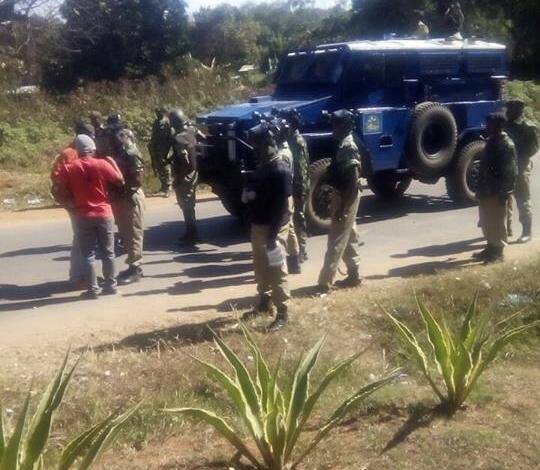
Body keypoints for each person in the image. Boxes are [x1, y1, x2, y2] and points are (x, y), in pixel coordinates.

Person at [54, 135, 124, 299]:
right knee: (108, 252)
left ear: (77, 150)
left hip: (82, 215)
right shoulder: (102, 164)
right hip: (104, 213)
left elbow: (57, 188)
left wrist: (68, 202)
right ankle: (111, 286)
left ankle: (93, 290)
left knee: (88, 254)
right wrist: (112, 162)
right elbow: (120, 181)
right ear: (92, 148)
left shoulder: (69, 168)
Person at [243, 121, 292, 331]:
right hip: (259, 226)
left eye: (256, 146)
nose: (254, 149)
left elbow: (281, 207)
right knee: (260, 267)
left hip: (274, 228)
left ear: (266, 145)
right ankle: (264, 302)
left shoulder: (280, 170)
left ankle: (282, 313)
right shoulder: (262, 167)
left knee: (277, 269)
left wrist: (273, 237)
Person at [318, 110, 363, 292]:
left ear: (343, 126)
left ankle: (325, 283)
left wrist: (343, 208)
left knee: (337, 238)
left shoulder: (348, 146)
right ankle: (354, 275)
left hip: (347, 195)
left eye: (336, 124)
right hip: (344, 193)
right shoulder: (344, 141)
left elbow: (353, 179)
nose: (333, 128)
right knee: (349, 233)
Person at [474, 113, 518, 263]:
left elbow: (510, 171)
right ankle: (490, 248)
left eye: (490, 124)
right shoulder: (491, 141)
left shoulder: (506, 144)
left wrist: (505, 192)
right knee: (486, 220)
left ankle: (498, 252)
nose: (487, 127)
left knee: (498, 221)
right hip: (485, 189)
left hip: (497, 190)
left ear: (498, 126)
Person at [111, 128, 146, 284]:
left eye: (120, 139)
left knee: (133, 233)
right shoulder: (122, 153)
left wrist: (123, 192)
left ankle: (136, 269)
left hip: (131, 197)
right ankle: (132, 266)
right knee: (126, 232)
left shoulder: (131, 154)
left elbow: (137, 180)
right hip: (123, 197)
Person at [505, 99, 539, 243]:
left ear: (519, 111)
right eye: (508, 109)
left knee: (523, 199)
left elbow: (534, 148)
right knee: (505, 199)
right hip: (505, 166)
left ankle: (527, 231)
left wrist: (518, 154)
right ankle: (506, 229)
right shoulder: (505, 125)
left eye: (511, 110)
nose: (508, 112)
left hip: (521, 165)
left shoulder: (528, 127)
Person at [50, 146, 85, 286]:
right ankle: (78, 277)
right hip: (75, 203)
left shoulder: (77, 152)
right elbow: (57, 178)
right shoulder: (70, 154)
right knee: (81, 238)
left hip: (79, 202)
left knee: (82, 238)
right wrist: (69, 199)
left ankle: (83, 275)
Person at [274, 117, 301, 274]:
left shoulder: (282, 154)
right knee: (289, 227)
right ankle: (294, 261)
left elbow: (280, 177)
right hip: (286, 192)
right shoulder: (283, 148)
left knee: (281, 229)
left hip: (283, 194)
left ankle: (280, 266)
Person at [283, 109, 310, 263]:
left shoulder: (297, 141)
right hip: (295, 184)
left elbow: (301, 169)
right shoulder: (290, 138)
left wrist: (297, 188)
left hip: (299, 185)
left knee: (299, 217)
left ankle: (302, 250)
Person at [169, 109, 199, 244]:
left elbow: (185, 159)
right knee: (189, 205)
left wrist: (179, 178)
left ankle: (192, 234)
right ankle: (192, 232)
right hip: (194, 173)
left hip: (185, 175)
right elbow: (202, 136)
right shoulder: (191, 130)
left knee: (186, 206)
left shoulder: (179, 138)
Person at [148, 106, 173, 197]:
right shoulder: (156, 122)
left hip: (165, 148)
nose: (157, 114)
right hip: (156, 148)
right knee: (159, 167)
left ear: (163, 112)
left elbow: (171, 136)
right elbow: (153, 135)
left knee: (166, 167)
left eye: (159, 112)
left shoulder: (167, 122)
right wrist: (151, 145)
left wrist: (168, 148)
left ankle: (168, 188)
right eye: (156, 113)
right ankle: (163, 187)